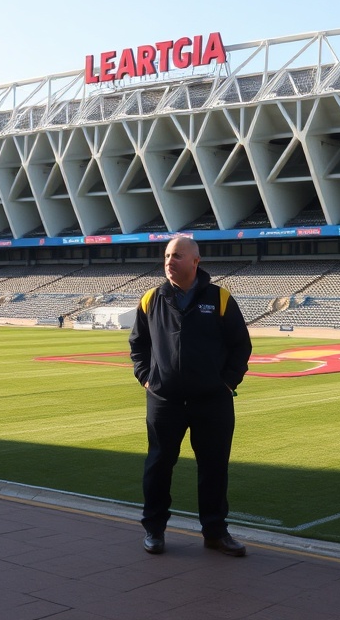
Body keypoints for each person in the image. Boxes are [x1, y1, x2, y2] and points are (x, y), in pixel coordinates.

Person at [129, 236, 252, 557]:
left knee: (213, 468)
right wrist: (146, 378)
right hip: (164, 400)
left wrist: (226, 383)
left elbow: (241, 346)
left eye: (178, 256)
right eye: (167, 255)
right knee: (158, 465)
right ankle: (154, 530)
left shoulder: (220, 298)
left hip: (212, 401)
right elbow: (138, 345)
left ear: (195, 261)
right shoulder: (151, 299)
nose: (170, 261)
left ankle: (215, 532)